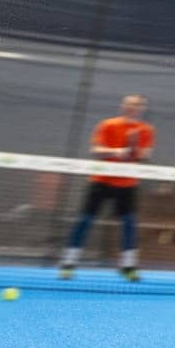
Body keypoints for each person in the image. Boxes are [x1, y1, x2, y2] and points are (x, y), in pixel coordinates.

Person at [59, 94, 154, 281]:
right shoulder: (108, 125)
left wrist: (134, 150)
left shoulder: (146, 130)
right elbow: (95, 151)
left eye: (137, 105)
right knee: (85, 220)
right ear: (123, 106)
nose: (133, 108)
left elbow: (145, 156)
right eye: (130, 105)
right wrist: (116, 152)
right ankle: (68, 263)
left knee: (129, 224)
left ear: (142, 108)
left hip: (127, 184)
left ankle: (128, 267)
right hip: (101, 181)